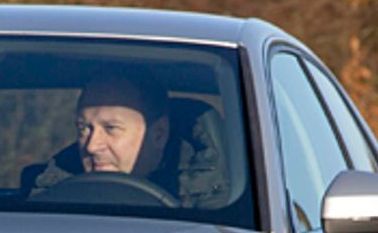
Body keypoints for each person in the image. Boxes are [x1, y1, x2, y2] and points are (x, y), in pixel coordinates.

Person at [26, 75, 232, 208]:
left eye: (111, 128)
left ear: (159, 134)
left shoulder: (223, 213)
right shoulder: (48, 199)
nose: (91, 145)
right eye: (84, 129)